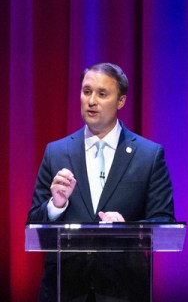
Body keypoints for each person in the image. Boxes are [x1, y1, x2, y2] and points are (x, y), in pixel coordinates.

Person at [27, 63, 175, 301]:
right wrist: (55, 206)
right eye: (86, 91)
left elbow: (164, 222)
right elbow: (33, 226)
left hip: (123, 289)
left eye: (102, 94)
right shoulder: (55, 152)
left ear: (121, 101)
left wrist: (129, 229)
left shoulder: (149, 155)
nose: (91, 101)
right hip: (65, 289)